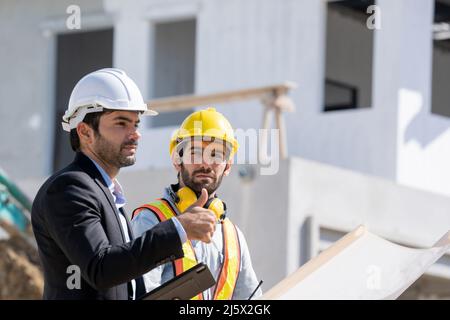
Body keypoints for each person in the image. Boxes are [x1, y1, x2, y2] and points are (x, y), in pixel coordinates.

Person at [31, 68, 216, 300]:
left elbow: (119, 277)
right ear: (85, 132)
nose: (135, 134)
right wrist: (178, 228)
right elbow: (102, 268)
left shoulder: (105, 192)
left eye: (136, 124)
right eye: (121, 123)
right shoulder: (69, 188)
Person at [132, 107, 262, 300]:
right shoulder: (150, 220)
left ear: (227, 166)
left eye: (216, 155)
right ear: (177, 161)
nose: (205, 163)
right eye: (195, 152)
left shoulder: (234, 237)